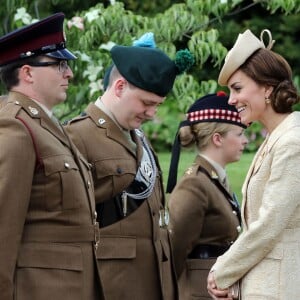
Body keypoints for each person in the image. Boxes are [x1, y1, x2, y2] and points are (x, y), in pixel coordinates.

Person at [64, 40, 194, 299]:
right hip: (111, 283)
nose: (152, 113)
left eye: (157, 104)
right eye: (147, 102)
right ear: (120, 86)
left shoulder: (138, 137)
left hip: (154, 280)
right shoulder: (76, 136)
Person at [0, 13, 104, 300]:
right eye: (59, 65)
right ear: (28, 73)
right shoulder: (16, 127)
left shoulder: (47, 125)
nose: (69, 73)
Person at [207, 29, 300, 299]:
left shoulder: (291, 142)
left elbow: (269, 225)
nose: (232, 99)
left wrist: (221, 271)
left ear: (267, 88)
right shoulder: (278, 137)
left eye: (237, 89)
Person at [166, 92, 248, 299]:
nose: (245, 141)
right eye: (239, 134)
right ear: (217, 138)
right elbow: (176, 248)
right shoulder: (195, 184)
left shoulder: (213, 179)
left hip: (215, 286)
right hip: (199, 290)